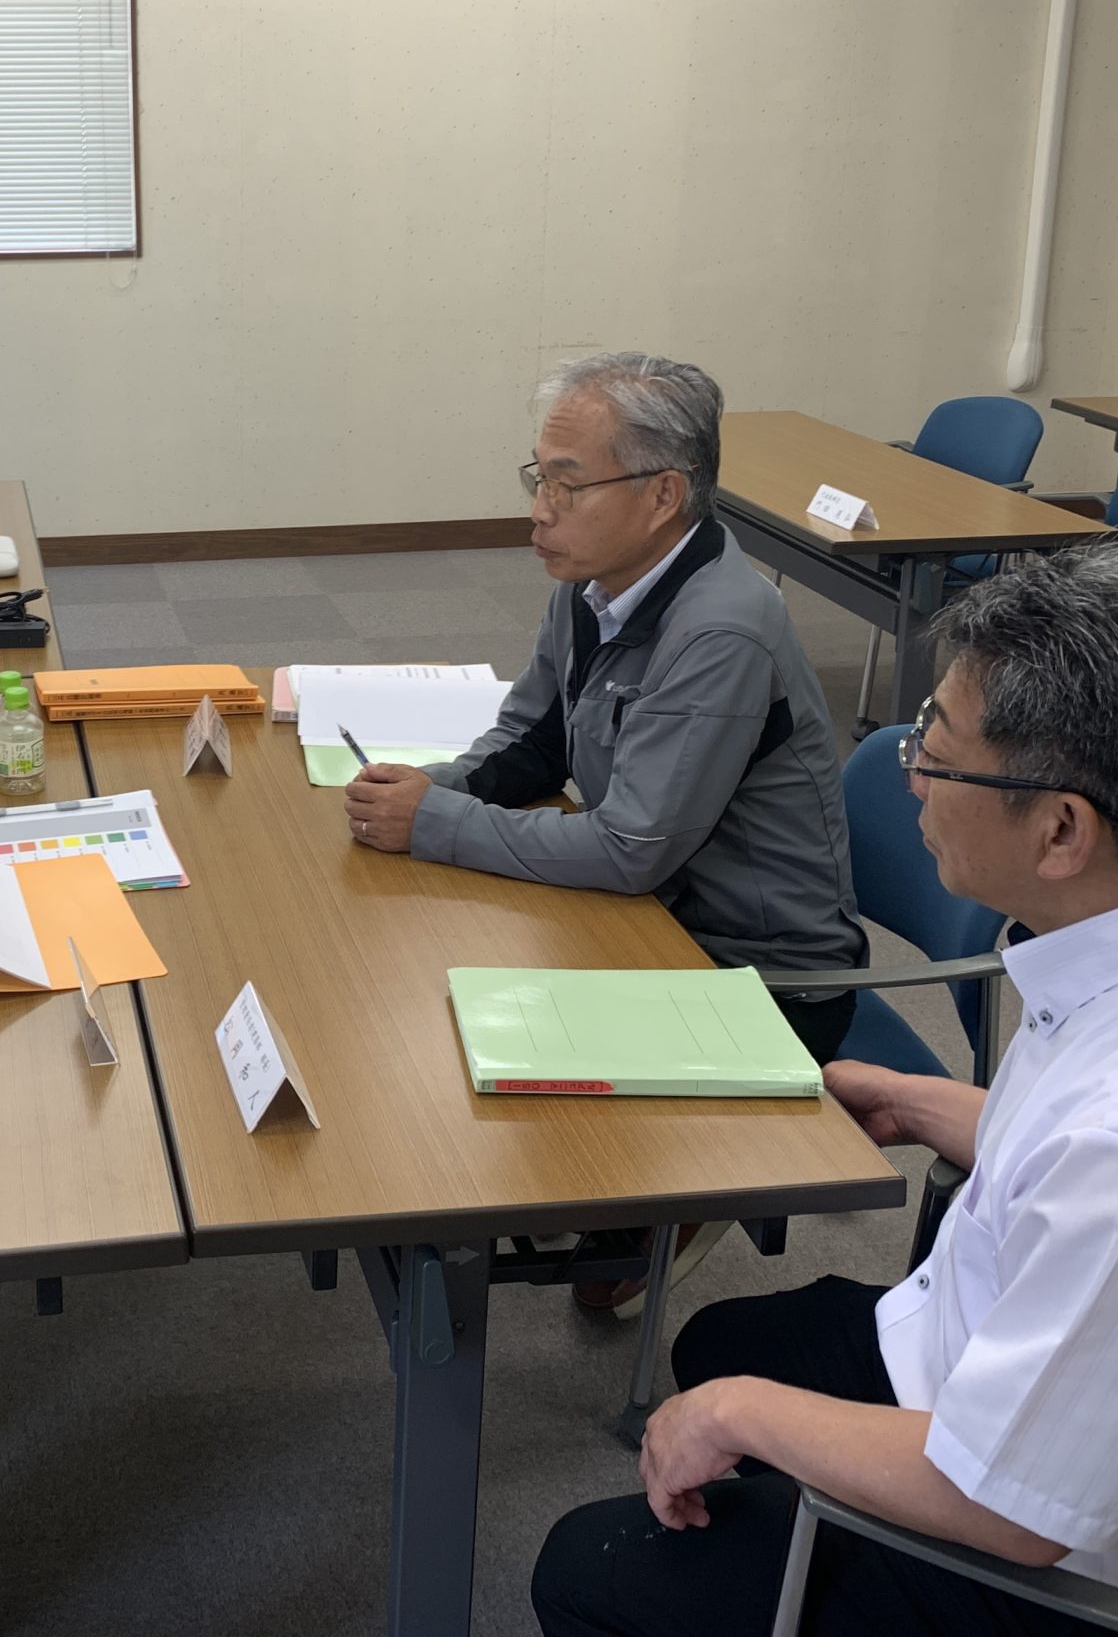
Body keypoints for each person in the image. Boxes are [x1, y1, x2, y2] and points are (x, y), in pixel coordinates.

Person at [530, 547, 1118, 1637]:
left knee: (588, 1567)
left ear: (1061, 830)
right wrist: (922, 1102)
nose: (909, 773)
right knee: (723, 1341)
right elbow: (1090, 1151)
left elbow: (1008, 1505)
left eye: (937, 753)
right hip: (1048, 1368)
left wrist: (738, 1418)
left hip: (1085, 1566)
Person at [345, 352, 867, 1310]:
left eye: (568, 484)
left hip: (751, 972)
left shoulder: (720, 628)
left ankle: (684, 1176)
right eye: (537, 478)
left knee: (454, 1022)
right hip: (654, 916)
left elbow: (628, 850)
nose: (539, 511)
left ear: (664, 495)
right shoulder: (592, 584)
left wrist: (436, 823)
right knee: (431, 967)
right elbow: (532, 741)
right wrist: (425, 790)